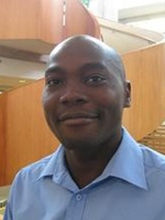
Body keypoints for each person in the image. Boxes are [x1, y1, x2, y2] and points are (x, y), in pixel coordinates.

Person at [4, 35, 165, 220]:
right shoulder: (26, 185)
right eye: (54, 82)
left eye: (94, 79)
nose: (70, 95)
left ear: (126, 94)